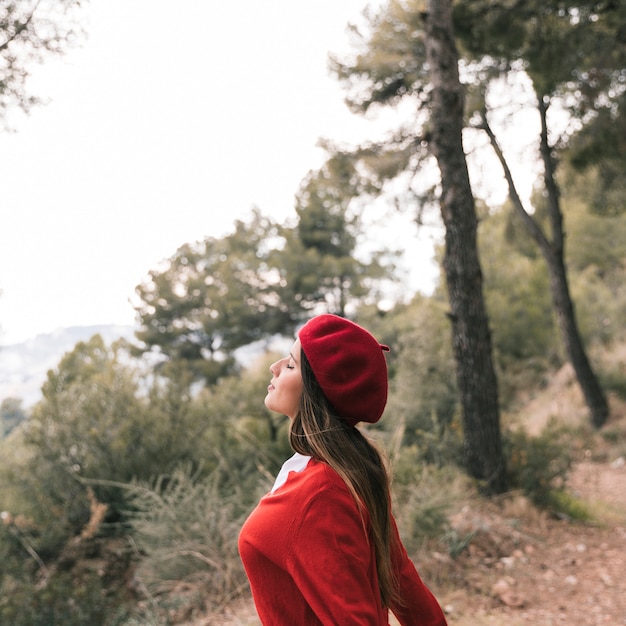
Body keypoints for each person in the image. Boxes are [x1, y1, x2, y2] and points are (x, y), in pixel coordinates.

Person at [238, 314, 448, 625]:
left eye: (292, 365)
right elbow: (402, 581)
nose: (275, 366)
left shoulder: (320, 493)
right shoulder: (345, 471)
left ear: (316, 392)